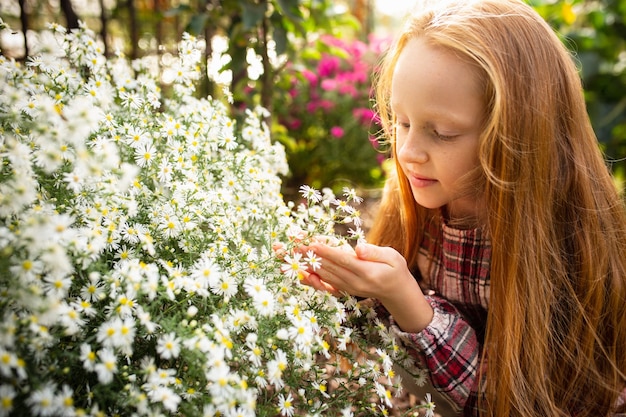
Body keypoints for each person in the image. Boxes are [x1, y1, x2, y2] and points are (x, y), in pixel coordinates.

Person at [294, 0, 626, 415]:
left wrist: (410, 303)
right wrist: (353, 287)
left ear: (518, 134)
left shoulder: (567, 247)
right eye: (400, 122)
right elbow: (392, 352)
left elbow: (513, 402)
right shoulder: (420, 201)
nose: (409, 152)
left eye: (444, 133)